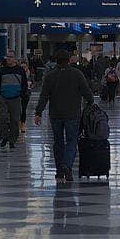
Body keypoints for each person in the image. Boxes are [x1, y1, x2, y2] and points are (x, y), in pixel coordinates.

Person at [34, 50, 94, 181]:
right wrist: (90, 101)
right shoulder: (77, 74)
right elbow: (86, 91)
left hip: (55, 114)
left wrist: (38, 112)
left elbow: (44, 96)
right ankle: (67, 164)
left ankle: (59, 171)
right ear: (69, 60)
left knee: (58, 142)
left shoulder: (50, 75)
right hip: (72, 113)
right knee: (72, 141)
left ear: (56, 60)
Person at [0, 50, 28, 148]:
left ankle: (13, 140)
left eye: (10, 57)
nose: (8, 59)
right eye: (7, 57)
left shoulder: (20, 70)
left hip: (15, 98)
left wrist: (21, 94)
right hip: (3, 97)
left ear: (14, 59)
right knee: (2, 118)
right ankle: (4, 136)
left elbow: (24, 84)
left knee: (14, 120)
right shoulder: (2, 70)